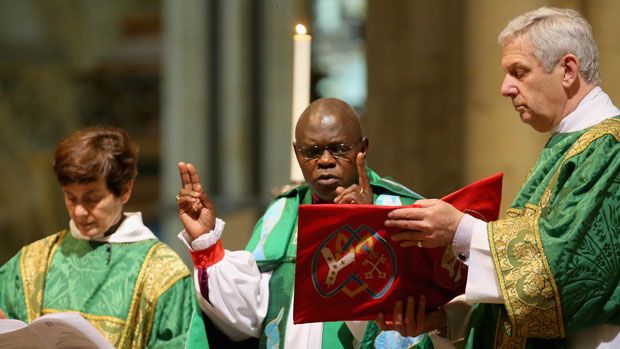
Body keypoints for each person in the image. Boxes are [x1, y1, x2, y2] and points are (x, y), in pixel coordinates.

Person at [381, 7, 620, 348]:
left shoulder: (609, 148)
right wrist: (446, 319)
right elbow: (523, 281)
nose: (505, 88)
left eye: (519, 72)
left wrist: (460, 230)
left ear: (568, 70)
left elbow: (560, 275)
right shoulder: (571, 143)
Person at [176, 97, 430, 348]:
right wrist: (206, 243)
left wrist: (364, 221)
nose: (326, 160)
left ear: (362, 148)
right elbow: (249, 316)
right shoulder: (281, 213)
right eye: (312, 151)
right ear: (298, 153)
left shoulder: (402, 210)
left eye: (339, 148)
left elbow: (429, 315)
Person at [0, 126, 209, 348]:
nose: (79, 210)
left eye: (92, 199)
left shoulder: (163, 274)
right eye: (71, 198)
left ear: (125, 191)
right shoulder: (31, 263)